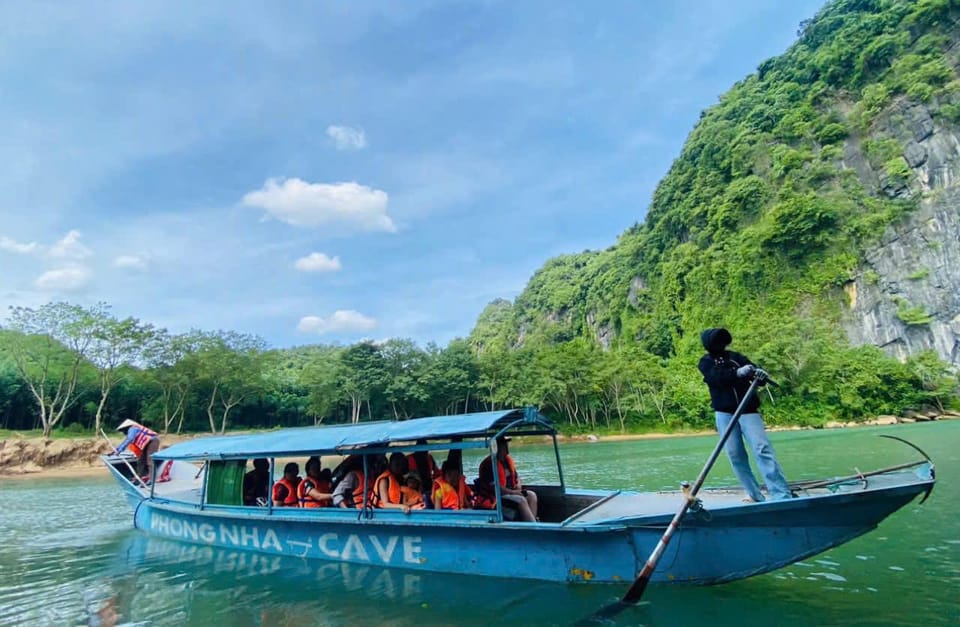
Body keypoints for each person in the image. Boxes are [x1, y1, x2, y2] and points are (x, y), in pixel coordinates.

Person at [698, 327, 792, 502]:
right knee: (735, 454)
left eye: (721, 340)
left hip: (748, 410)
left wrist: (760, 374)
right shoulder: (705, 362)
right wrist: (737, 373)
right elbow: (716, 378)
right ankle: (756, 495)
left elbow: (758, 376)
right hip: (724, 413)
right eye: (716, 341)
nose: (719, 344)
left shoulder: (736, 358)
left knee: (762, 449)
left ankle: (781, 494)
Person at [477, 436, 537, 522]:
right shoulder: (489, 465)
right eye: (503, 445)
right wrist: (513, 492)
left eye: (506, 444)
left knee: (532, 495)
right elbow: (496, 488)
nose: (506, 447)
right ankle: (532, 527)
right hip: (496, 498)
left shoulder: (507, 461)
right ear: (496, 447)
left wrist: (518, 485)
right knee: (521, 500)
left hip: (511, 493)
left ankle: (532, 523)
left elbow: (517, 476)